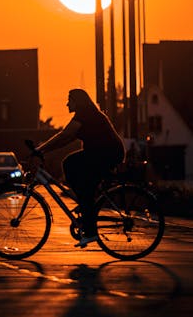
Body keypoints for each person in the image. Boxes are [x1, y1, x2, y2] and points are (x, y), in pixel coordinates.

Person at [32, 88, 125, 248]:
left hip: (107, 153)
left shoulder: (84, 115)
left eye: (70, 100)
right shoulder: (85, 115)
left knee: (70, 164)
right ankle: (85, 202)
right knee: (73, 165)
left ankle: (90, 232)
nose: (67, 103)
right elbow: (64, 140)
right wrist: (44, 150)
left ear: (78, 101)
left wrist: (40, 150)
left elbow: (64, 135)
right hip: (100, 152)